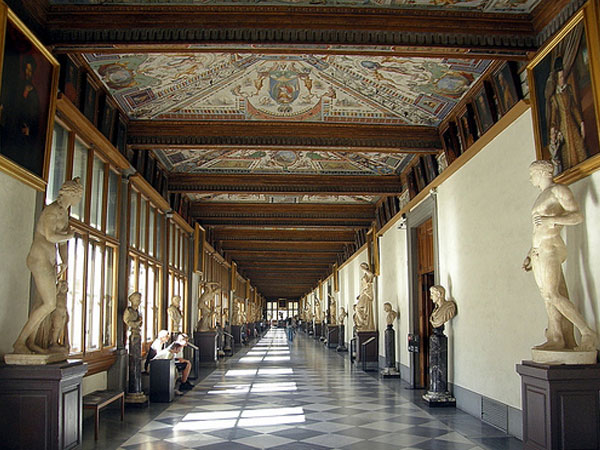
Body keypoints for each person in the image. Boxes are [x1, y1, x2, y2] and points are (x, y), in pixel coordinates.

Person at [522, 160, 597, 351]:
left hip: (551, 247)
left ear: (542, 172)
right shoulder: (541, 196)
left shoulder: (558, 190)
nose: (531, 178)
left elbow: (577, 215)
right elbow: (536, 229)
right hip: (538, 251)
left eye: (532, 174)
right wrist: (530, 252)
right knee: (548, 296)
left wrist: (552, 219)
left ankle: (587, 332)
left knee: (553, 294)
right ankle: (558, 338)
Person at [13, 178, 83, 354]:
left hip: (50, 261)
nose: (79, 199)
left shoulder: (64, 213)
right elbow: (51, 236)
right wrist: (69, 236)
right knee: (50, 303)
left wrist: (65, 260)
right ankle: (19, 342)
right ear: (71, 194)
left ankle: (30, 342)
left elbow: (61, 244)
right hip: (39, 258)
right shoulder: (51, 211)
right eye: (79, 195)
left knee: (40, 303)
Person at [547, 57, 587, 172]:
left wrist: (581, 123)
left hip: (572, 123)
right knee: (567, 151)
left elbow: (574, 108)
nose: (562, 79)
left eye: (563, 76)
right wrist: (553, 130)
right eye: (560, 77)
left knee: (579, 146)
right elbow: (554, 117)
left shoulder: (568, 90)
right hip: (563, 127)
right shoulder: (555, 98)